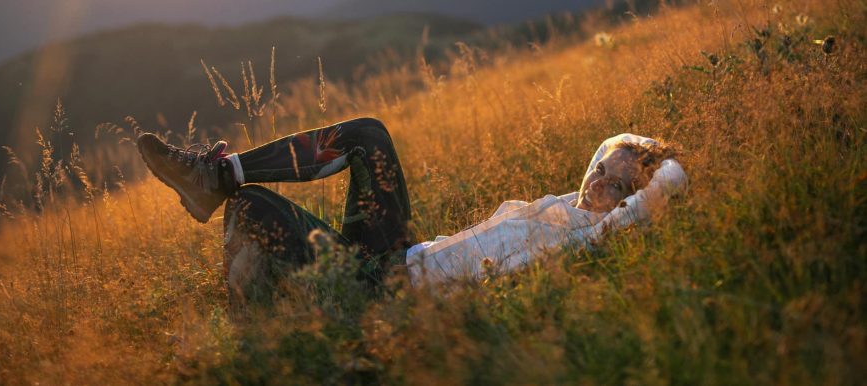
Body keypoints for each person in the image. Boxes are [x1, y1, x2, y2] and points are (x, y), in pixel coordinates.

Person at [137, 117, 686, 298]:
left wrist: (654, 171)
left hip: (384, 290)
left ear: (631, 202)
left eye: (616, 186)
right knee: (369, 134)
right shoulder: (565, 201)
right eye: (599, 169)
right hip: (397, 256)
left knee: (254, 207)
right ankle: (215, 177)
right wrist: (622, 153)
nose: (598, 184)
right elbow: (613, 145)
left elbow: (671, 182)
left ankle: (254, 319)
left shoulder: (592, 236)